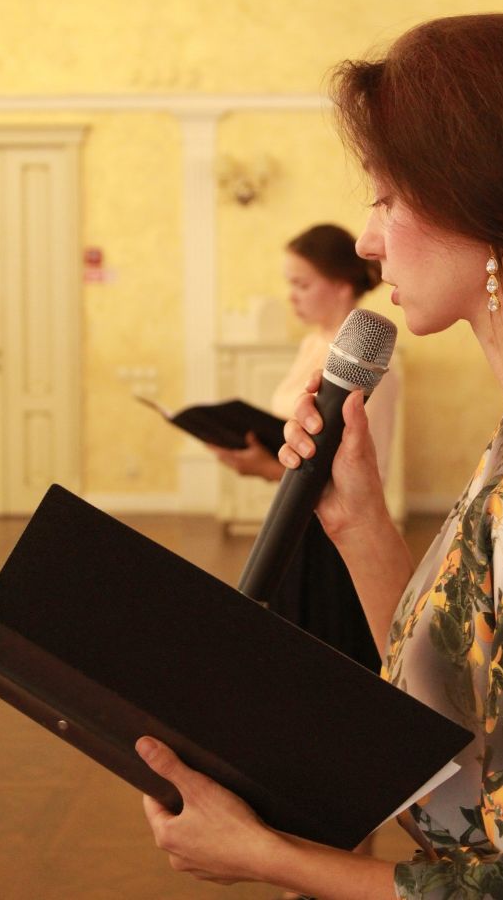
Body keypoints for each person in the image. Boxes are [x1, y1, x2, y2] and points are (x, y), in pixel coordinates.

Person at [136, 13, 503, 899]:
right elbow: (468, 718)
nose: (367, 239)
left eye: (384, 198)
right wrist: (359, 523)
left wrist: (265, 856)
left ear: (479, 207)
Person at [211, 223, 399, 672]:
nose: (291, 296)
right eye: (289, 284)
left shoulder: (368, 368)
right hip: (293, 511)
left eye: (302, 284)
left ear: (341, 284)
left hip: (330, 537)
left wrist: (265, 467)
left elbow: (360, 474)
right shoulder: (315, 345)